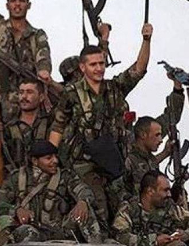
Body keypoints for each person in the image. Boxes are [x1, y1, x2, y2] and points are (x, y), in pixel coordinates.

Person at [49, 23, 153, 229]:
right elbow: (58, 126)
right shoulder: (72, 94)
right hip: (84, 164)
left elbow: (138, 69)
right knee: (99, 209)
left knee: (126, 208)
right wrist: (49, 158)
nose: (99, 68)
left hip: (113, 162)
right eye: (93, 64)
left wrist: (146, 40)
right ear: (82, 67)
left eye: (101, 63)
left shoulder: (115, 88)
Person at [0, 140, 102, 245]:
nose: (55, 161)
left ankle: (96, 244)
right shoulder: (16, 178)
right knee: (19, 228)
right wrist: (17, 210)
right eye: (49, 158)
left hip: (60, 231)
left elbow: (83, 189)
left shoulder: (65, 176)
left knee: (84, 209)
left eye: (55, 156)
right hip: (33, 230)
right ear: (35, 161)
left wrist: (83, 201)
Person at [112, 170, 189, 246]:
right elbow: (121, 236)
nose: (169, 194)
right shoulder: (129, 208)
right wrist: (154, 241)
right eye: (165, 190)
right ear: (150, 191)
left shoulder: (170, 208)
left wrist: (187, 234)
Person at [0, 78, 51, 173]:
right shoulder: (7, 129)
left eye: (29, 92)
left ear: (41, 97)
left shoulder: (50, 123)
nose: (24, 96)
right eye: (21, 92)